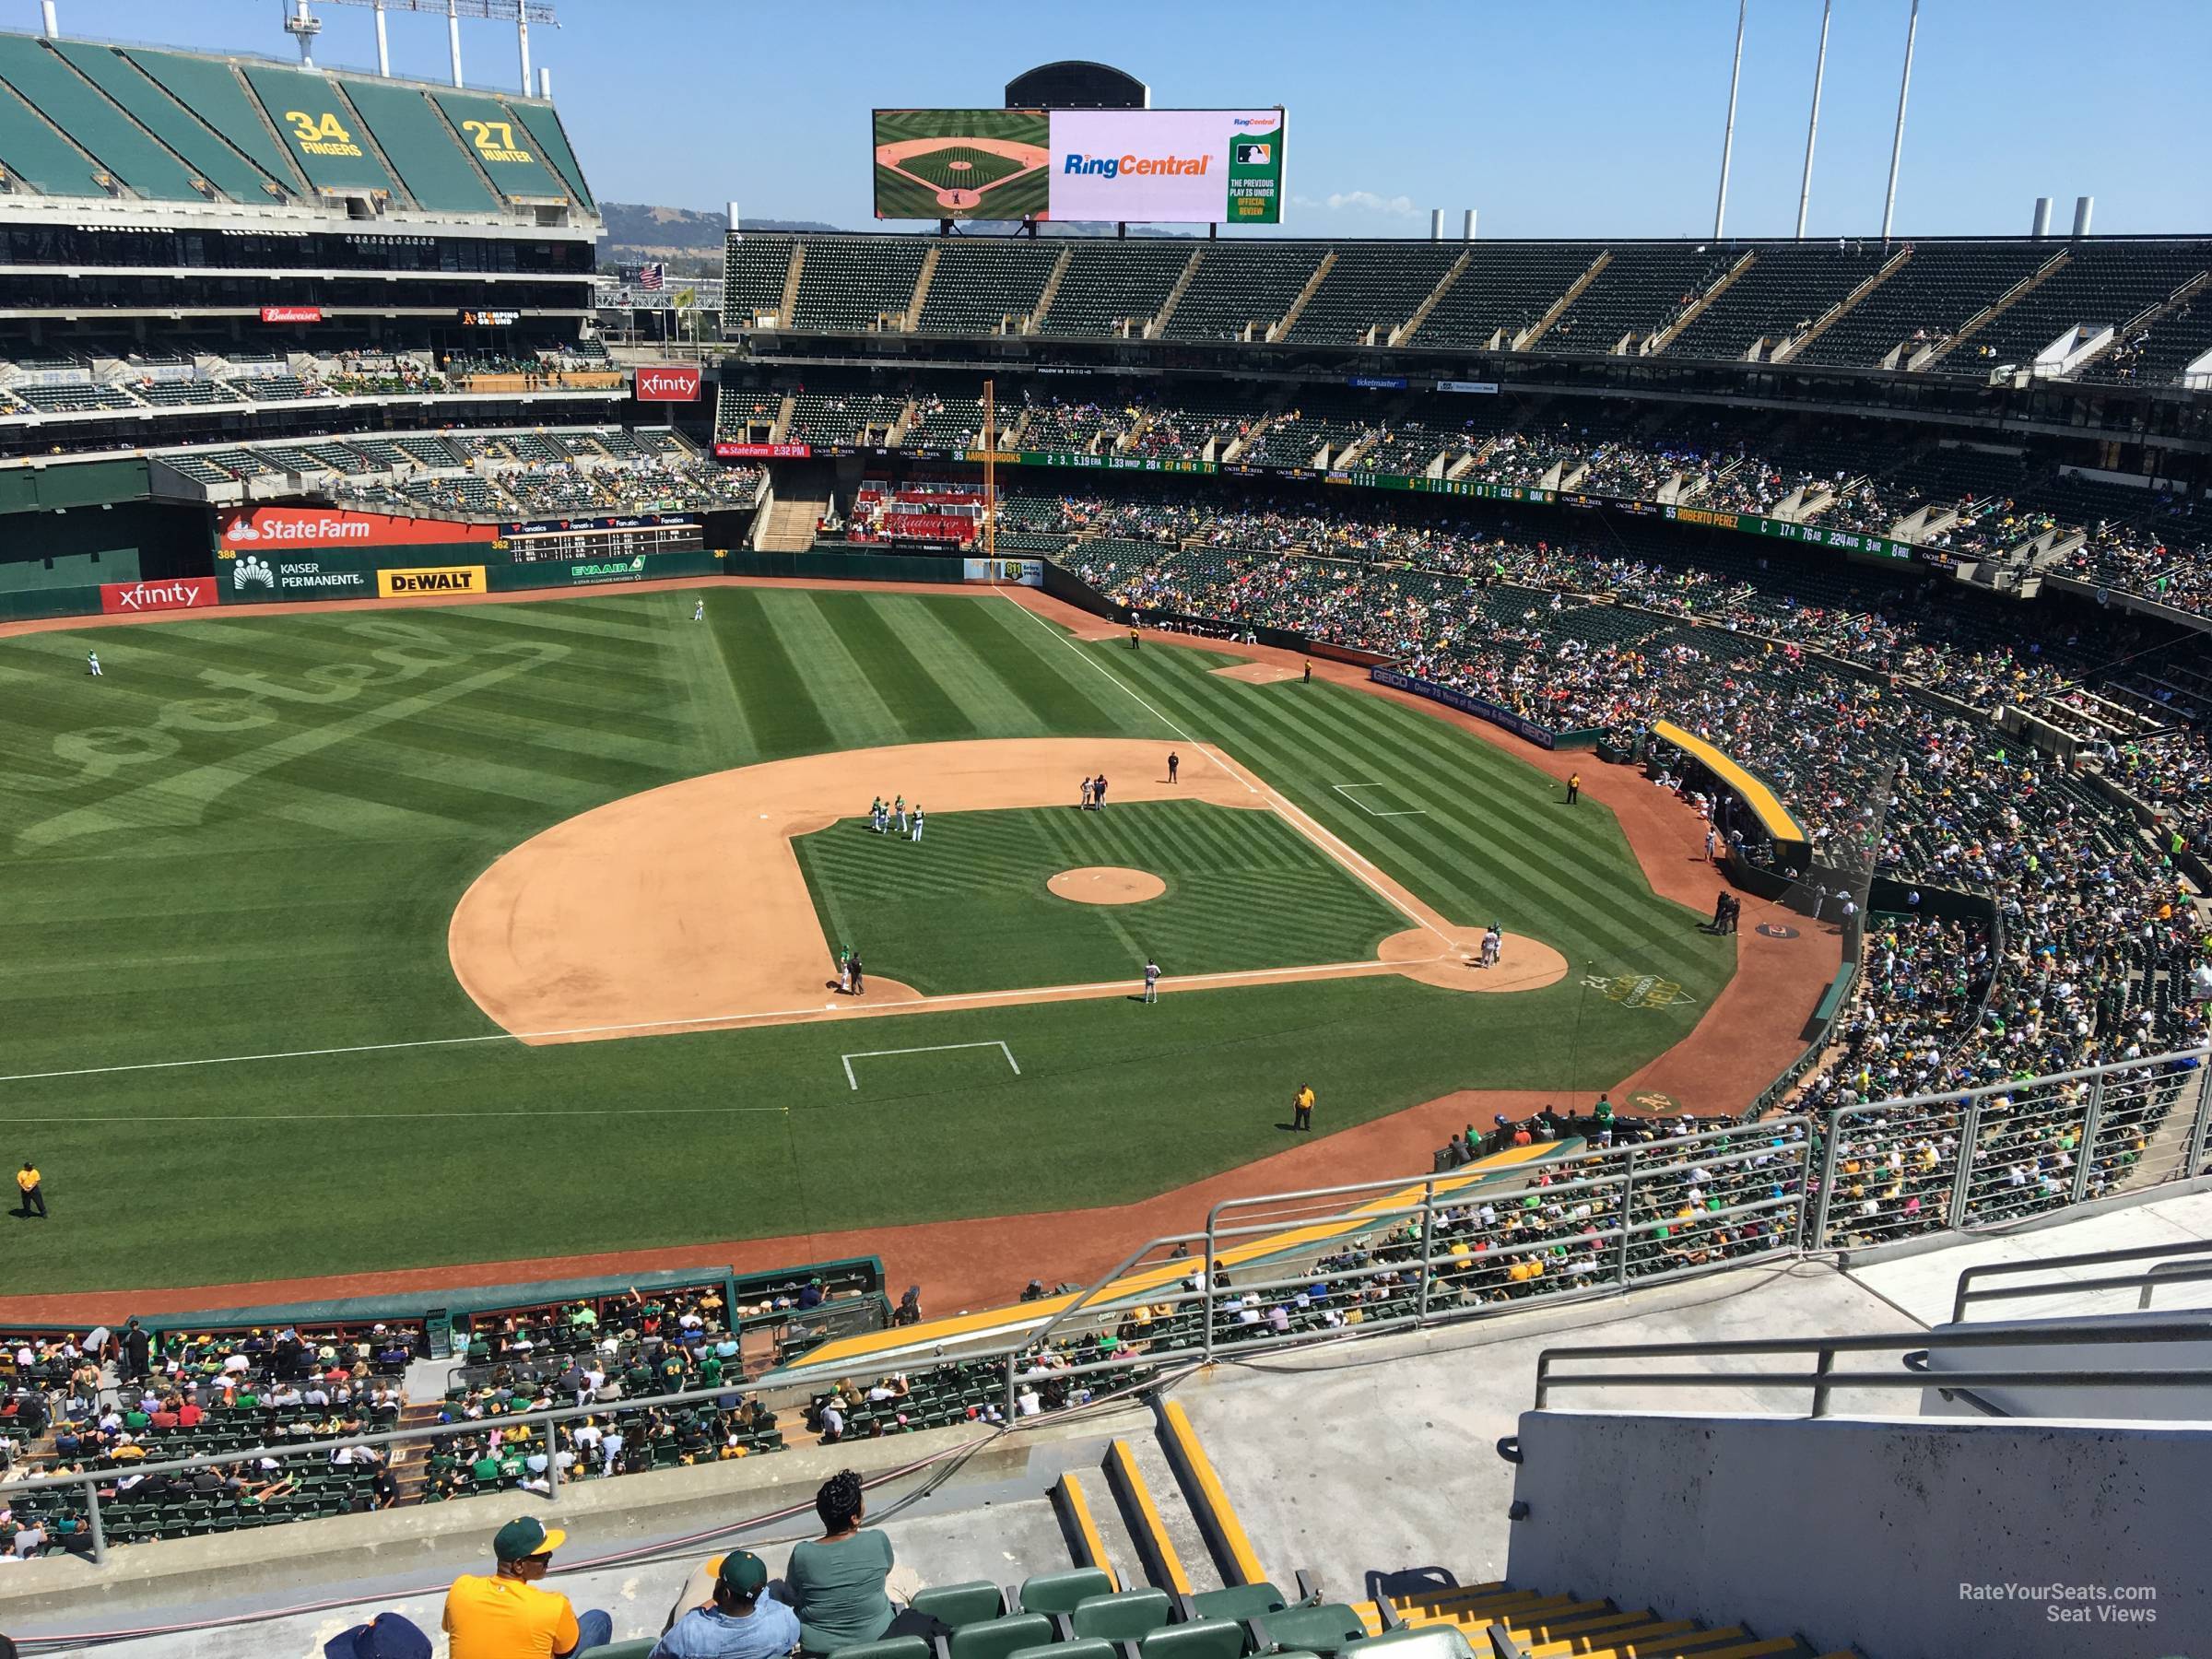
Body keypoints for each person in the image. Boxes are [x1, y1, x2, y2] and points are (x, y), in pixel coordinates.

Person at [782, 1470, 924, 1655]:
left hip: (820, 1651)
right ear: (854, 1518)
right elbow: (887, 1570)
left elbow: (792, 1591)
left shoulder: (802, 1553)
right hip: (878, 1640)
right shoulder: (877, 1540)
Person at [442, 1516, 611, 1659]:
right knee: (598, 1620)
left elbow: (451, 1628)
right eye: (543, 1555)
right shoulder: (553, 1605)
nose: (549, 1557)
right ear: (519, 1565)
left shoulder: (461, 1588)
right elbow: (566, 1649)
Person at [653, 1550, 798, 1659]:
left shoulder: (690, 1630)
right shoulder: (785, 1618)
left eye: (719, 1579)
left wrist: (698, 1612)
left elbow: (657, 1656)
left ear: (726, 1593)